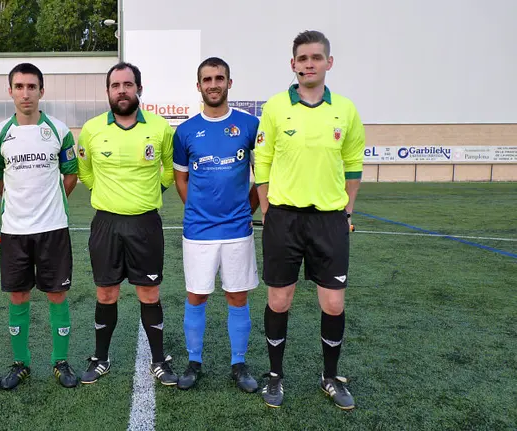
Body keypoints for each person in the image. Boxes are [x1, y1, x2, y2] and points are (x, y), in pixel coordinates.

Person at [254, 30, 366, 410]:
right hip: (283, 219)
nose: (309, 64)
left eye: (316, 58)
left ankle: (330, 377)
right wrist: (268, 210)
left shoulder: (346, 110)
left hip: (330, 221)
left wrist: (347, 211)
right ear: (293, 64)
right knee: (279, 300)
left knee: (333, 304)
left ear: (328, 63)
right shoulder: (274, 108)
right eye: (302, 58)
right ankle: (275, 376)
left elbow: (353, 166)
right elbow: (263, 163)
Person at [76, 62, 177, 386]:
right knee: (106, 293)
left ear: (139, 89)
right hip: (106, 224)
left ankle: (159, 360)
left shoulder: (160, 128)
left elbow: (169, 172)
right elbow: (86, 173)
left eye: (128, 84)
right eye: (115, 85)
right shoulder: (91, 130)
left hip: (145, 224)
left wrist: (149, 193)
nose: (122, 90)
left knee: (149, 293)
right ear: (107, 91)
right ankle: (101, 358)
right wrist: (108, 195)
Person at [0, 63, 79, 390]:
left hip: (53, 229)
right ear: (10, 90)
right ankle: (20, 363)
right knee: (18, 296)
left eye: (31, 86)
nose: (25, 93)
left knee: (57, 294)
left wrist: (52, 201)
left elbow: (71, 173)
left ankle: (60, 361)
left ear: (42, 91)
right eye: (19, 86)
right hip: (14, 231)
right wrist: (16, 199)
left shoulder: (59, 129)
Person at [172, 57, 260, 393]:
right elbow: (182, 179)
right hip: (199, 231)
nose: (213, 84)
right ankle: (194, 362)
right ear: (199, 86)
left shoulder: (249, 126)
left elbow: (261, 176)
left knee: (237, 297)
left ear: (229, 83)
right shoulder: (185, 131)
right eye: (207, 79)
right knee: (196, 296)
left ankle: (239, 364)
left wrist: (245, 208)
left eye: (219, 78)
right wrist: (197, 208)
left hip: (238, 230)